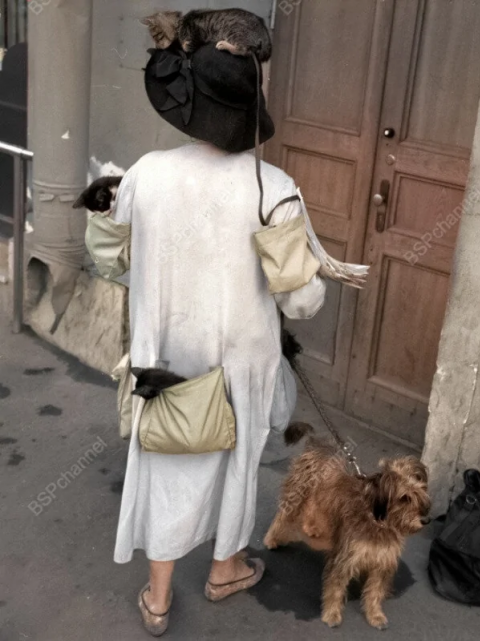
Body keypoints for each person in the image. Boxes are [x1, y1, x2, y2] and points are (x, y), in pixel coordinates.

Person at [85, 42, 325, 636]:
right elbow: (301, 301)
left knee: (167, 466)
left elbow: (109, 259)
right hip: (242, 362)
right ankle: (225, 570)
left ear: (189, 108)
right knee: (237, 463)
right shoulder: (274, 187)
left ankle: (158, 597)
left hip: (164, 361)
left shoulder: (145, 173)